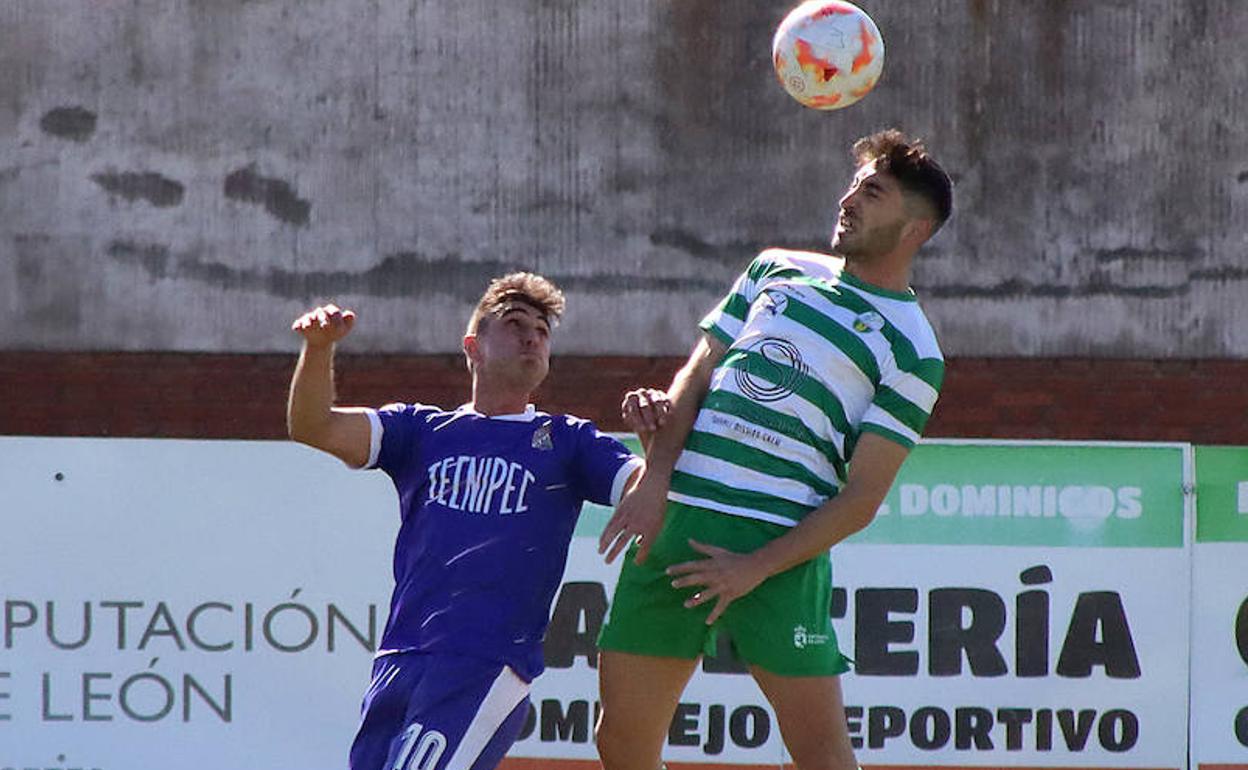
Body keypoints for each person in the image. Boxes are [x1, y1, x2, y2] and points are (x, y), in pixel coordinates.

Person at [595, 129, 954, 770]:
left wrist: (754, 568)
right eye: (853, 185)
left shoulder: (914, 349)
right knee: (620, 742)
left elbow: (863, 498)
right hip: (677, 527)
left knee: (822, 758)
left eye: (872, 193)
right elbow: (697, 375)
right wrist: (653, 478)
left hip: (778, 556)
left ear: (915, 228)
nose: (848, 199)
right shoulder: (774, 268)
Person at [287, 272, 646, 770]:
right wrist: (319, 349)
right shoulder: (420, 431)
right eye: (515, 323)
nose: (532, 337)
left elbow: (643, 487)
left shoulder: (567, 442)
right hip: (400, 657)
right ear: (472, 347)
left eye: (542, 331)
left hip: (484, 663)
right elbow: (314, 426)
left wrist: (660, 448)